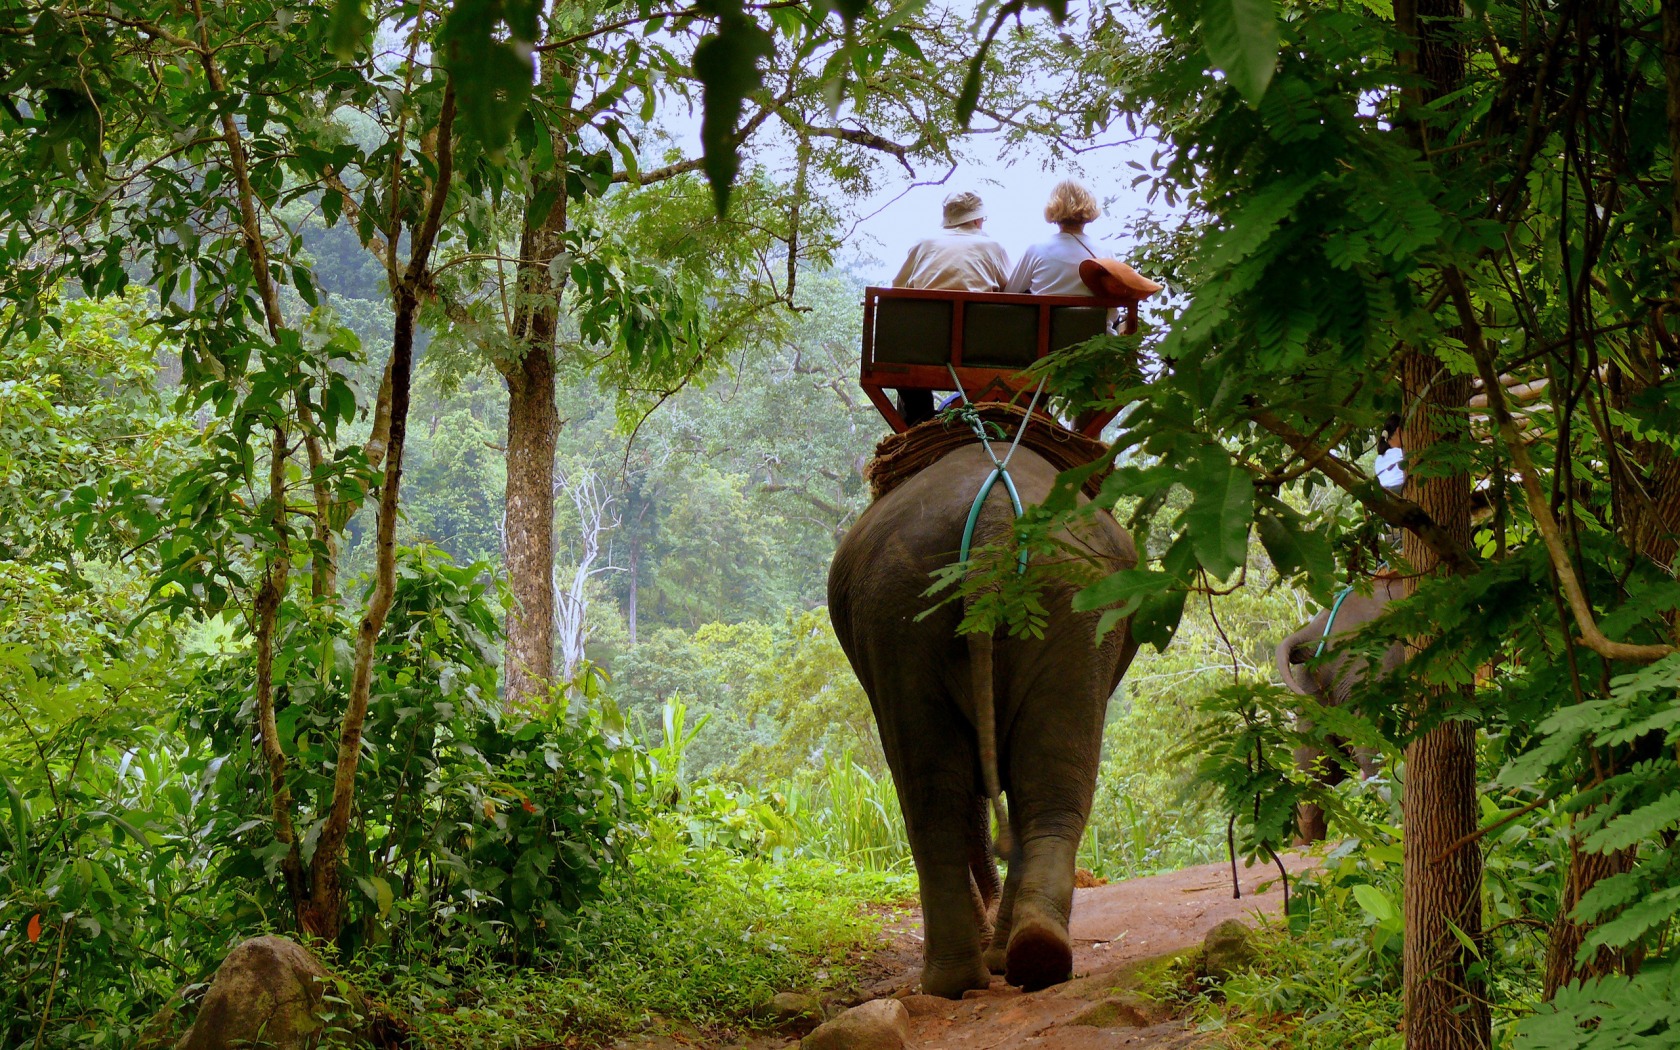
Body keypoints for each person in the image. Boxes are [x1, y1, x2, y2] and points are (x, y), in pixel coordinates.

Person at [890, 191, 1011, 424]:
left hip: (923, 351)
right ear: (977, 220)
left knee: (908, 365)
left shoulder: (924, 245)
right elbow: (1013, 292)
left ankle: (919, 422)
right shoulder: (993, 247)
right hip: (979, 353)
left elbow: (897, 289)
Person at [1004, 180, 1111, 296]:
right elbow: (1113, 309)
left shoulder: (1036, 250)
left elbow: (1010, 294)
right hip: (1094, 315)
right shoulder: (1105, 252)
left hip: (1045, 314)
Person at [1375, 414, 1404, 493]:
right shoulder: (1402, 453)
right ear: (1399, 431)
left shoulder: (1378, 459)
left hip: (1384, 495)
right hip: (1400, 491)